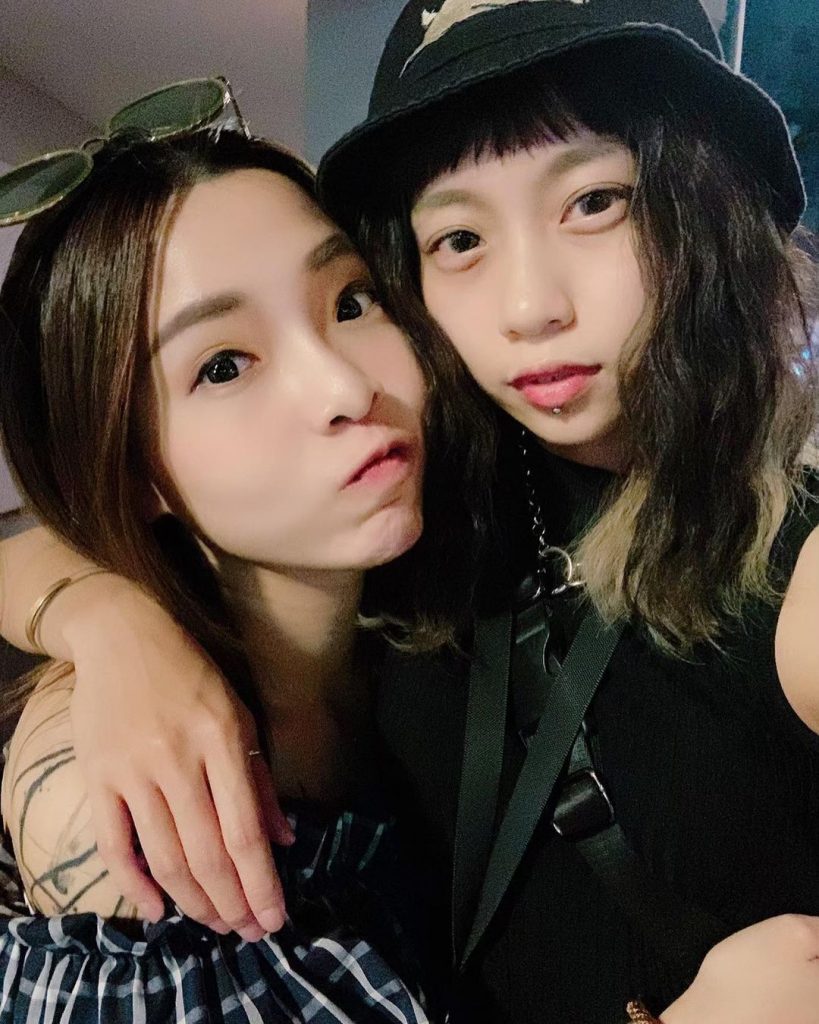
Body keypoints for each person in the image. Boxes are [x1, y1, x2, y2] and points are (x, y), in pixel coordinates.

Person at [2, 6, 819, 1018]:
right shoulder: (124, 807)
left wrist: (94, 613)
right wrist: (106, 623)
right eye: (459, 238)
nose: (530, 306)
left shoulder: (437, 499)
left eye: (595, 202)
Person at [0, 94, 443, 1021]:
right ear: (130, 471)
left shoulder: (439, 598)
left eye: (350, 302)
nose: (345, 386)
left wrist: (98, 612)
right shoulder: (120, 818)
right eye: (223, 366)